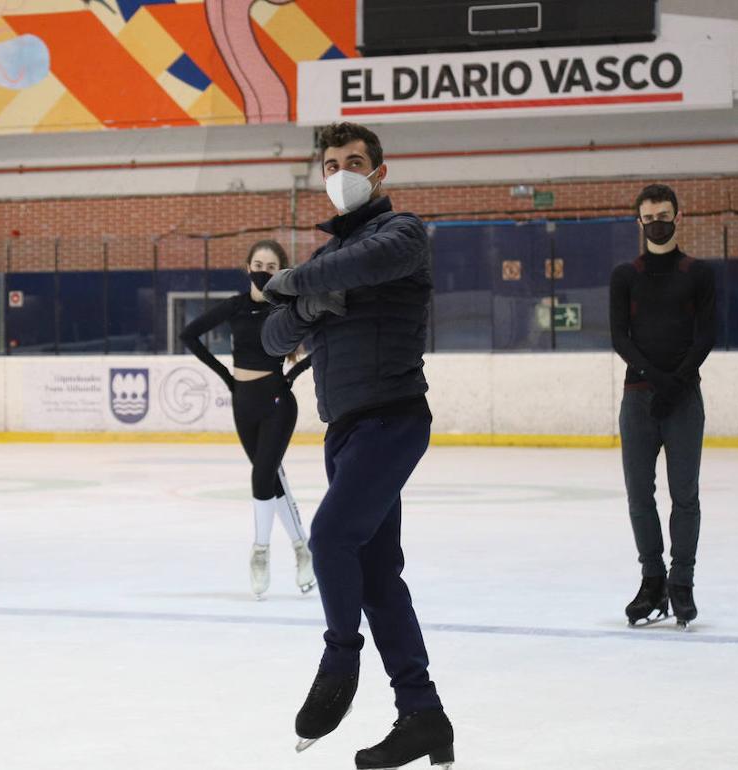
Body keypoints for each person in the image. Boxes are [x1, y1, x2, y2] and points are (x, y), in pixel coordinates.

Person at [262, 123, 454, 770]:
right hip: (344, 431)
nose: (340, 172)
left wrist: (296, 283)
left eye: (353, 162)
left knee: (330, 538)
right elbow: (272, 334)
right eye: (331, 164)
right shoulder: (323, 263)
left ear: (379, 173)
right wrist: (313, 302)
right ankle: (423, 714)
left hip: (393, 419)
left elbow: (356, 268)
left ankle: (340, 657)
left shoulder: (402, 234)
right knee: (377, 578)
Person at [179, 240, 315, 600]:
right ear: (247, 266)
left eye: (271, 267)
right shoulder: (235, 307)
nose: (263, 271)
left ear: (280, 272)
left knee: (262, 476)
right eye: (258, 264)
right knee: (271, 479)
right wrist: (227, 378)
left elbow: (330, 338)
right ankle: (303, 549)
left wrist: (293, 374)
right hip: (243, 403)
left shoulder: (289, 309)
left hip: (277, 403)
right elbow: (188, 335)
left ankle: (260, 553)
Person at [610, 184, 716, 631]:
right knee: (639, 496)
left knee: (684, 496)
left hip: (684, 399)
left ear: (677, 217)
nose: (657, 222)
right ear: (639, 222)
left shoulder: (698, 272)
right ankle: (651, 580)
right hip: (638, 399)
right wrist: (656, 379)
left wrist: (676, 384)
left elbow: (705, 334)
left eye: (664, 214)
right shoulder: (625, 275)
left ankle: (682, 583)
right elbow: (620, 338)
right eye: (649, 216)